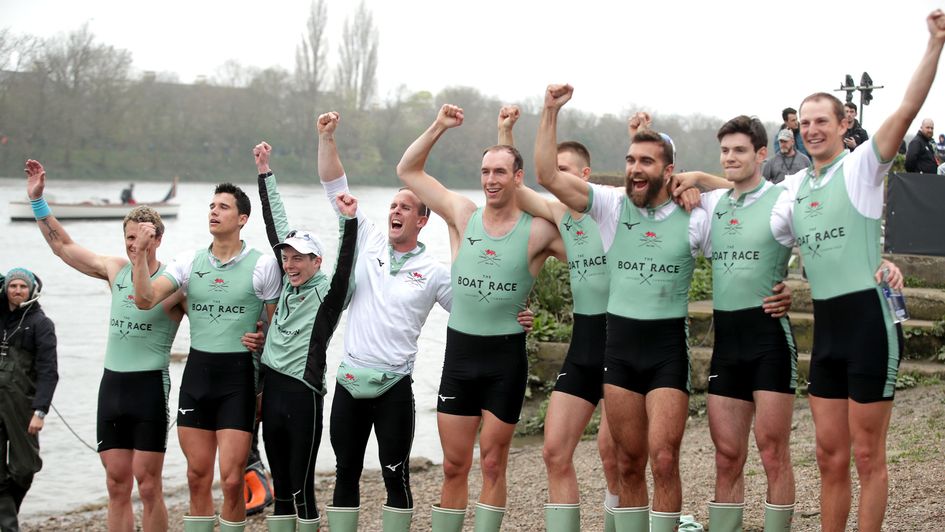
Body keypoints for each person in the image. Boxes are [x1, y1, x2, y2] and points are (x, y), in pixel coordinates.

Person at [783, 12, 945, 530]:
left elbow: (907, 108)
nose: (811, 129)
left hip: (869, 325)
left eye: (821, 121)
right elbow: (738, 195)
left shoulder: (860, 167)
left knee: (868, 457)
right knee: (830, 458)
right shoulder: (793, 190)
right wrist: (693, 176)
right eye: (804, 122)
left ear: (844, 124)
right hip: (826, 330)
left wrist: (935, 43)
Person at [529, 83, 715, 532]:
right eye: (630, 160)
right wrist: (550, 111)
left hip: (667, 350)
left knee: (664, 458)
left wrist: (702, 181)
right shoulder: (610, 207)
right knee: (628, 462)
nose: (634, 169)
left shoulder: (695, 214)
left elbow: (753, 196)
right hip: (621, 351)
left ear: (669, 170)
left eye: (646, 162)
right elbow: (548, 178)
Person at [397, 104, 563, 532]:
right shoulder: (463, 215)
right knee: (454, 464)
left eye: (500, 172)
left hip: (504, 358)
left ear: (518, 178)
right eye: (485, 172)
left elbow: (591, 254)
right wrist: (438, 126)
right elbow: (409, 171)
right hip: (461, 355)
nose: (490, 180)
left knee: (492, 462)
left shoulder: (539, 230)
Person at [25, 159, 185, 532]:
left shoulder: (174, 282)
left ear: (158, 239)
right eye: (129, 238)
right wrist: (38, 201)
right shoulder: (115, 269)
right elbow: (63, 246)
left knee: (148, 485)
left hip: (149, 388)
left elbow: (214, 319)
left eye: (142, 239)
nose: (134, 246)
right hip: (112, 386)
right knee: (116, 484)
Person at [131, 183, 282, 532]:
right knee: (197, 477)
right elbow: (144, 299)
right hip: (198, 378)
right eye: (211, 206)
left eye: (223, 207)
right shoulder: (189, 262)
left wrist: (263, 341)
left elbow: (277, 328)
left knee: (231, 480)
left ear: (242, 218)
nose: (214, 212)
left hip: (238, 380)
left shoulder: (263, 266)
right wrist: (140, 255)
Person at [498, 104, 619, 532]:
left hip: (623, 343)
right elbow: (514, 187)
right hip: (584, 345)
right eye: (554, 170)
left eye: (563, 170)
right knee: (553, 451)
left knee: (615, 453)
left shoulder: (616, 214)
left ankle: (619, 521)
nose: (555, 176)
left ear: (583, 178)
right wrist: (505, 131)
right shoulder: (562, 217)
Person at [253, 141, 359, 532]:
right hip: (273, 390)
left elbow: (347, 267)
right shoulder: (286, 285)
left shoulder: (327, 294)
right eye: (287, 257)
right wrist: (265, 172)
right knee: (280, 491)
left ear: (317, 261)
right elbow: (275, 225)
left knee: (302, 491)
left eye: (299, 257)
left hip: (303, 393)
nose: (290, 264)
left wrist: (347, 223)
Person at [0, 267, 58, 532]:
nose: (17, 291)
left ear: (32, 290)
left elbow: (49, 371)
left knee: (25, 467)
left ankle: (7, 511)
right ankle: (9, 526)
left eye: (23, 287)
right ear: (5, 288)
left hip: (23, 406)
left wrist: (40, 411)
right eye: (13, 286)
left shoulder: (41, 324)